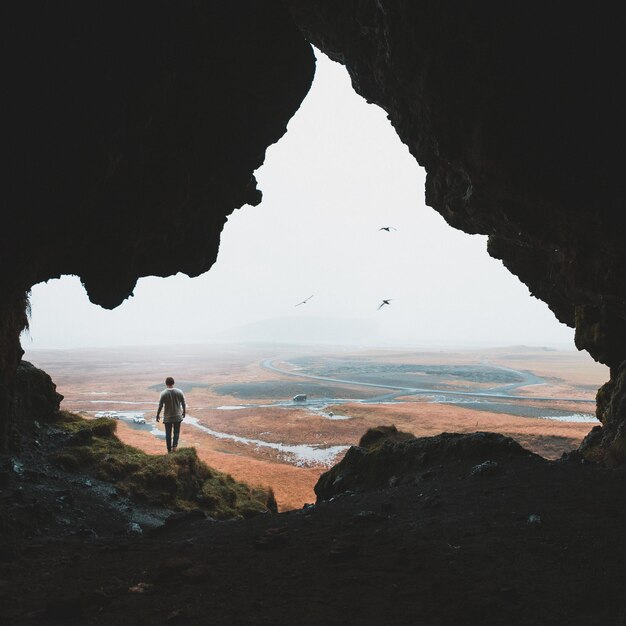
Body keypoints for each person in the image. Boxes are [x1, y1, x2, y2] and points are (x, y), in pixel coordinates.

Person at [156, 377, 186, 453]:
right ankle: (175, 447)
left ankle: (169, 450)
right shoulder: (179, 392)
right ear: (173, 383)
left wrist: (157, 415)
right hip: (177, 417)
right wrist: (184, 412)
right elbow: (183, 403)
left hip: (168, 418)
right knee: (176, 432)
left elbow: (160, 406)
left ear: (166, 383)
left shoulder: (163, 393)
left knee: (168, 434)